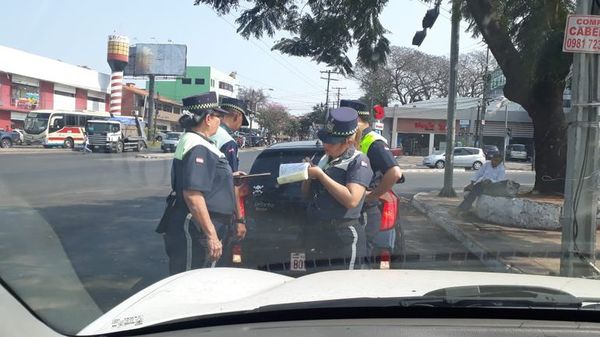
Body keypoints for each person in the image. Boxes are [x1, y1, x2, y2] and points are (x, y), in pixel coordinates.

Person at [159, 92, 239, 275]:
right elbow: (193, 194)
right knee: (191, 278)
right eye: (219, 116)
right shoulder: (198, 146)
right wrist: (211, 235)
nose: (220, 121)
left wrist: (229, 177)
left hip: (200, 224)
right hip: (196, 227)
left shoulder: (198, 142)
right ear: (209, 118)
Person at [301, 107, 373, 270]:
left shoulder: (358, 161)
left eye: (331, 142)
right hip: (319, 232)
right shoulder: (324, 159)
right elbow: (306, 195)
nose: (325, 145)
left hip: (344, 234)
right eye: (324, 140)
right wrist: (306, 176)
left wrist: (321, 175)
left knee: (345, 284)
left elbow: (352, 200)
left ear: (348, 141)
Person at [339, 99, 403, 258]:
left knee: (361, 256)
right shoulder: (345, 141)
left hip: (364, 212)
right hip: (346, 213)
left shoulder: (373, 141)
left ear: (357, 119)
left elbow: (395, 173)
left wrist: (372, 196)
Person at [211, 97, 250, 246]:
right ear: (237, 116)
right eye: (241, 122)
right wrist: (239, 219)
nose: (239, 127)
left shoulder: (204, 133)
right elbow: (232, 183)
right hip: (217, 211)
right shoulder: (228, 141)